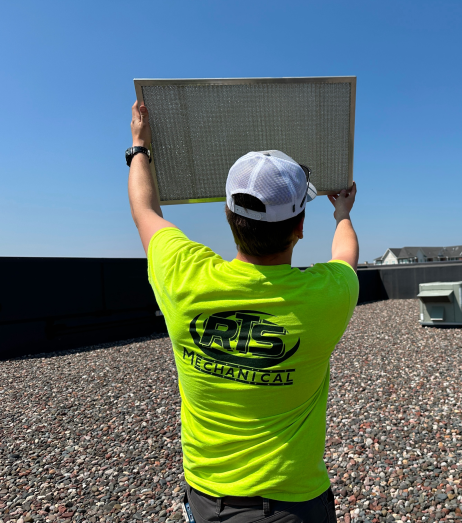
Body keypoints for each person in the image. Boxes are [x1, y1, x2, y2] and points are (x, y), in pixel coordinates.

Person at [127, 100, 359, 522]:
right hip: (296, 505)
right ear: (300, 227)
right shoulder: (327, 296)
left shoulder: (184, 275)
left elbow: (145, 211)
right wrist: (342, 213)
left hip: (209, 501)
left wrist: (139, 149)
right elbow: (345, 256)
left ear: (229, 216)